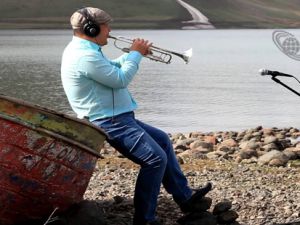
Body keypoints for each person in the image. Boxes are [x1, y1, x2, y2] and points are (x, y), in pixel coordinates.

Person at [61, 7, 212, 225]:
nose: (110, 30)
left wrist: (131, 54)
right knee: (154, 160)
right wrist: (134, 55)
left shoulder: (87, 50)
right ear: (91, 28)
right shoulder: (83, 55)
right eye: (106, 26)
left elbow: (111, 68)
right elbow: (119, 79)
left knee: (162, 139)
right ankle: (145, 219)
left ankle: (186, 198)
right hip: (109, 121)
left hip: (119, 117)